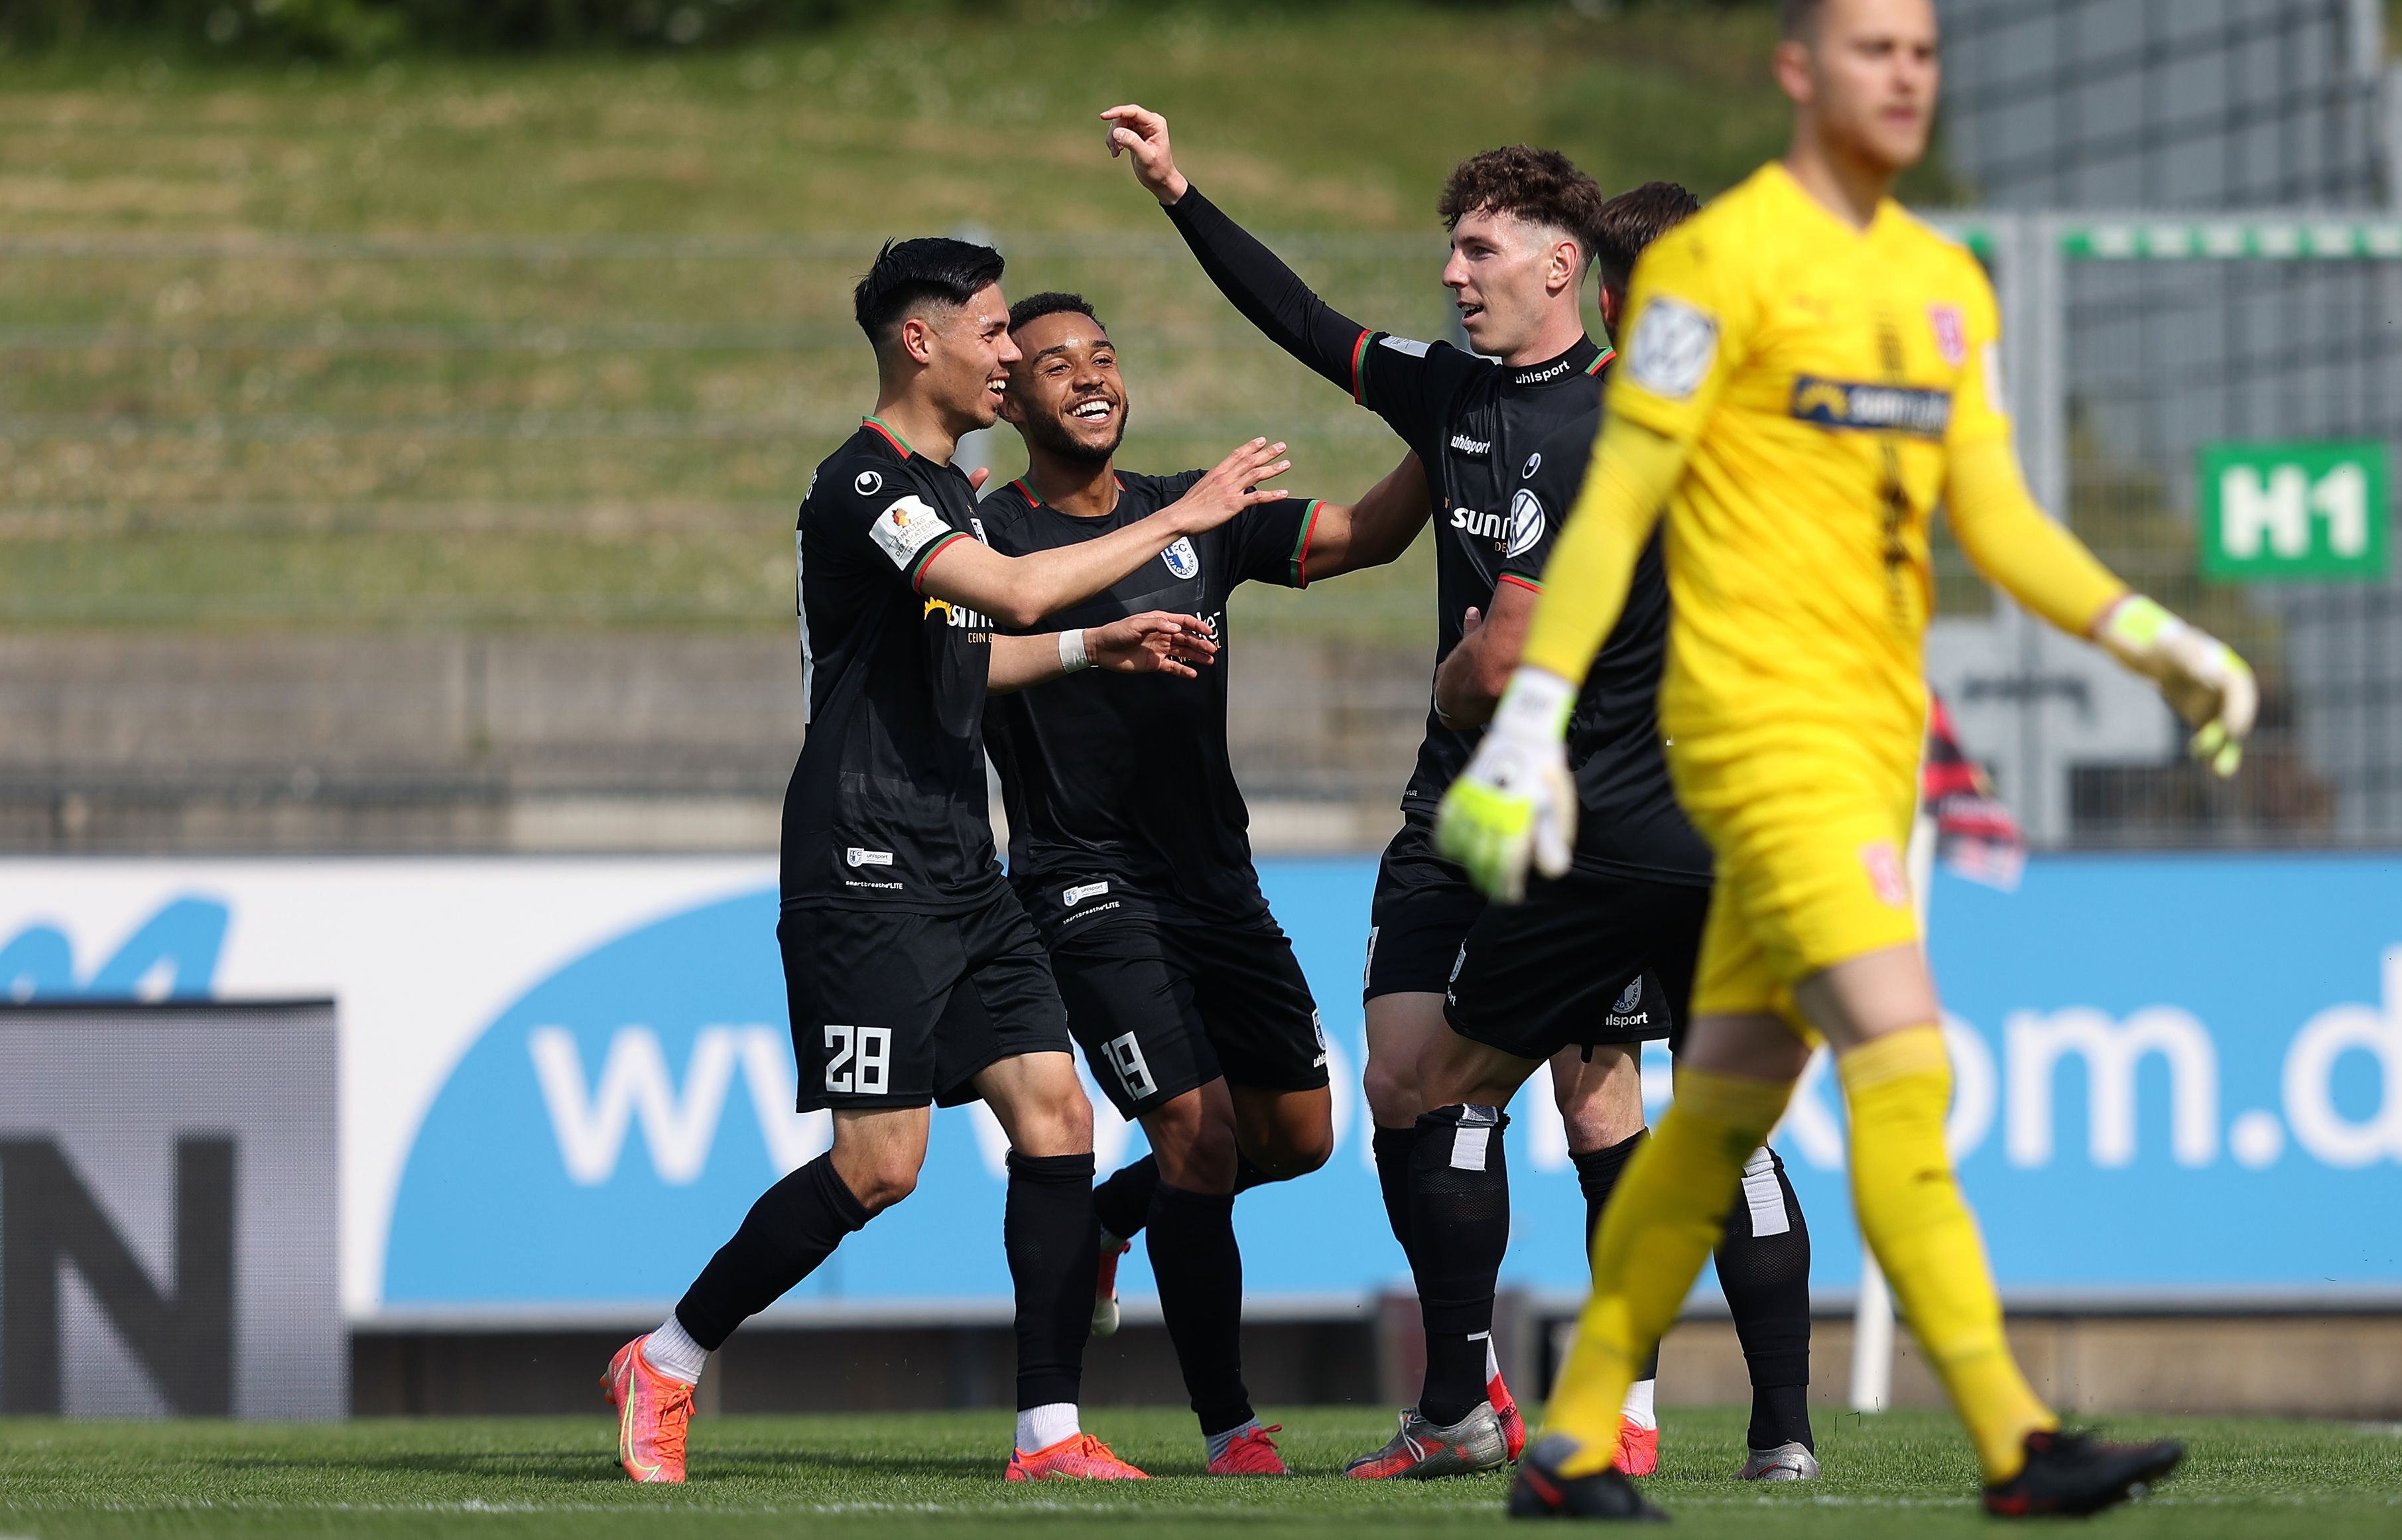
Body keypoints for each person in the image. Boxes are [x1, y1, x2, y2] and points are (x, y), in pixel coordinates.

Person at [1437, 0, 2255, 1521]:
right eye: (1872, 47)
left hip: (1871, 748)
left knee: (1723, 1101)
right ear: (1798, 72)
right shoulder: (1704, 274)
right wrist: (1532, 715)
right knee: (1906, 1057)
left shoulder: (1943, 286)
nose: (1904, 75)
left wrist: (2156, 638)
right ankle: (2015, 1438)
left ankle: (1567, 1434)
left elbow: (1996, 515)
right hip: (1757, 740)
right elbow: (1615, 505)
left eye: (1923, 52)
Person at [602, 236, 1300, 1486]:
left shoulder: (955, 490)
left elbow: (971, 659)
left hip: (959, 861)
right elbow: (1011, 595)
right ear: (920, 341)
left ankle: (1047, 1434)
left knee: (1057, 1110)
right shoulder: (867, 485)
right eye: (992, 334)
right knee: (883, 1167)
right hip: (861, 854)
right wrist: (1186, 520)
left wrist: (1106, 649)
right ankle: (668, 1355)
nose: (1010, 356)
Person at [1102, 105, 1644, 1478]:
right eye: (1448, 251)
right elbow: (1298, 316)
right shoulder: (1447, 392)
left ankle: (1624, 1405)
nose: (1452, 275)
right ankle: (1457, 1407)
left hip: (1579, 816)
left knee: (1593, 1104)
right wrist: (1179, 190)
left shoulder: (1620, 425)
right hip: (1445, 803)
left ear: (1558, 266)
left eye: (1478, 251)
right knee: (1401, 1080)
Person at [977, 289, 1427, 1474]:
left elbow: (1367, 535)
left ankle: (1118, 1217)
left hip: (1216, 883)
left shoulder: (1199, 518)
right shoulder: (989, 539)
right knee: (1198, 1130)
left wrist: (1449, 431)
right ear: (1009, 396)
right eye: (1055, 363)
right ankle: (1231, 1425)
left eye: (1105, 356)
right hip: (1083, 883)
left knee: (1300, 1135)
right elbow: (956, 672)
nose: (1088, 377)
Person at [1415, 180, 1820, 1486]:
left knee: (1456, 1087)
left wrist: (1455, 689)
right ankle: (1783, 1436)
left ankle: (1457, 1402)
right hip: (1745, 820)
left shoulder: (1602, 434)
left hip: (1603, 828)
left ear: (1607, 294)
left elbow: (1510, 646)